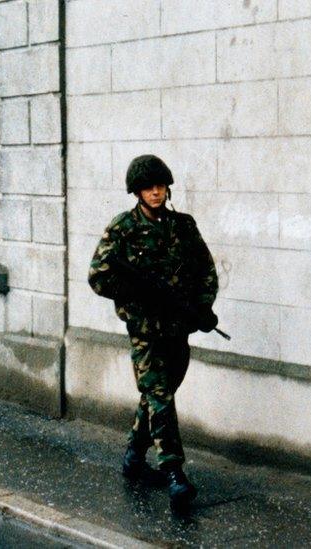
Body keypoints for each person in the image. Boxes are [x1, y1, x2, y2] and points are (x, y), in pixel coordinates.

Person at [87, 154, 219, 507]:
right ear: (137, 192)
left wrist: (203, 307)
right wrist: (136, 292)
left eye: (160, 186)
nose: (156, 192)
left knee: (156, 395)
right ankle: (174, 473)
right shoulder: (122, 229)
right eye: (149, 187)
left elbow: (206, 269)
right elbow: (98, 277)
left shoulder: (183, 226)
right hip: (144, 329)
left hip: (178, 328)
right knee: (160, 396)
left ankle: (133, 454)